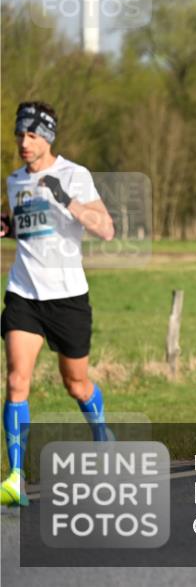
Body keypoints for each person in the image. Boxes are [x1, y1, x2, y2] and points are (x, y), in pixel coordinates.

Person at [1, 101, 115, 506]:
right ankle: (16, 476)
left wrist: (67, 199)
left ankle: (102, 436)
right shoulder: (14, 181)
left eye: (31, 135)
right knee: (16, 380)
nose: (23, 142)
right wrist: (5, 226)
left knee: (76, 383)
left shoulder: (74, 175)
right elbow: (23, 224)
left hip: (67, 298)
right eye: (19, 134)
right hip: (23, 294)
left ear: (47, 137)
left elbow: (106, 229)